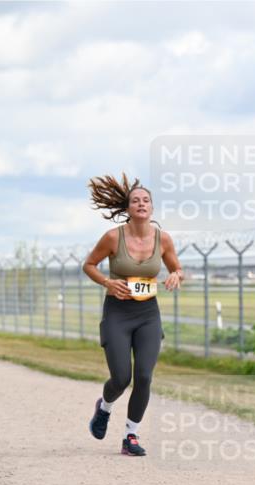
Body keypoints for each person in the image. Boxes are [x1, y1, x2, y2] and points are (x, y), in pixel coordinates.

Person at [82, 174, 185, 456]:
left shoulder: (163, 239)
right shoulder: (113, 237)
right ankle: (104, 408)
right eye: (136, 200)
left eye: (146, 200)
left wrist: (176, 275)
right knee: (121, 378)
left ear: (152, 207)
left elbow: (177, 268)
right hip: (117, 312)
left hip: (148, 313)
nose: (141, 204)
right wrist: (107, 282)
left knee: (144, 376)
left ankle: (131, 435)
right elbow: (89, 265)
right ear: (128, 208)